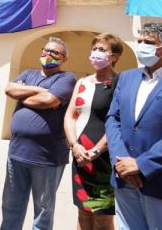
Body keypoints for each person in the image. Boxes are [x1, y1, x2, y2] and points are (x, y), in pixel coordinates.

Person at [106, 22, 162, 230]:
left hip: (161, 181)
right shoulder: (127, 78)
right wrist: (120, 162)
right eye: (140, 41)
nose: (142, 46)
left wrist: (141, 165)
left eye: (149, 42)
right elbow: (113, 119)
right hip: (123, 177)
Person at [1, 37, 76, 230]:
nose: (48, 55)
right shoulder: (29, 73)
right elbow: (9, 88)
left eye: (54, 53)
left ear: (64, 58)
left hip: (47, 158)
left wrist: (23, 94)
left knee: (43, 210)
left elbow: (49, 100)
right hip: (16, 154)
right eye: (46, 50)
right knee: (11, 206)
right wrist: (36, 89)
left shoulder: (66, 79)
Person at [64, 33, 124, 230]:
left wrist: (96, 151)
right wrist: (75, 146)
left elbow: (119, 122)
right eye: (95, 49)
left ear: (114, 56)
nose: (96, 53)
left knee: (102, 217)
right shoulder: (82, 82)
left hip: (102, 160)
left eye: (102, 50)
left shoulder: (120, 83)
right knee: (83, 212)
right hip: (80, 156)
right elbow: (70, 115)